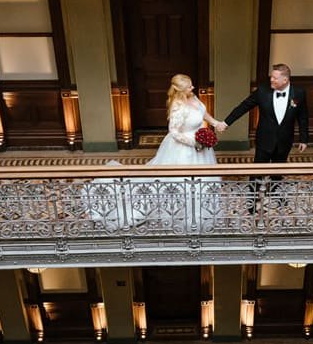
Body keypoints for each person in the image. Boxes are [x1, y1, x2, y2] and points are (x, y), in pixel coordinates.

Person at [85, 73, 219, 230]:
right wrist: (195, 142)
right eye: (189, 86)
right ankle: (182, 214)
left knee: (203, 181)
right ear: (181, 91)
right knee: (179, 182)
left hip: (201, 149)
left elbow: (202, 112)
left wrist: (215, 123)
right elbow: (174, 132)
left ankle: (203, 210)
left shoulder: (192, 97)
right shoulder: (178, 106)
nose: (193, 88)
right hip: (184, 149)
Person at [214, 63, 309, 163]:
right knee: (257, 173)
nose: (271, 79)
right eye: (271, 77)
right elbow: (243, 107)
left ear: (285, 80)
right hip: (264, 140)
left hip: (284, 141)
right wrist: (226, 123)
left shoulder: (299, 93)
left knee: (278, 172)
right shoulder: (262, 91)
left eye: (275, 78)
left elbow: (303, 117)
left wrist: (304, 139)